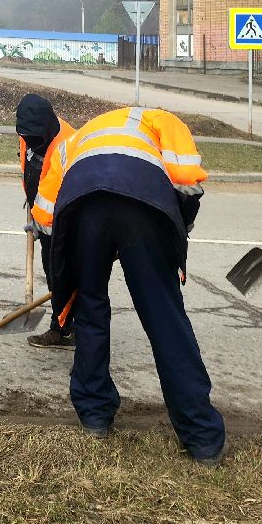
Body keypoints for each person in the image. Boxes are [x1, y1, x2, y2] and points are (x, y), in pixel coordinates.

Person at [42, 106, 225, 467]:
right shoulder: (161, 120)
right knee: (163, 317)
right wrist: (174, 233)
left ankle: (94, 415)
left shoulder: (78, 138)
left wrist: (84, 253)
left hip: (83, 207)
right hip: (144, 206)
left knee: (91, 309)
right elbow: (188, 181)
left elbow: (47, 217)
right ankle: (201, 438)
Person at [16, 94, 76, 349]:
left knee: (66, 276)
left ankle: (65, 330)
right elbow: (30, 168)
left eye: (36, 138)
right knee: (54, 274)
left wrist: (44, 223)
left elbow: (67, 196)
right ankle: (66, 326)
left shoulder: (68, 144)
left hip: (66, 222)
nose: (31, 142)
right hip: (43, 217)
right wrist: (31, 202)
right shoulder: (28, 134)